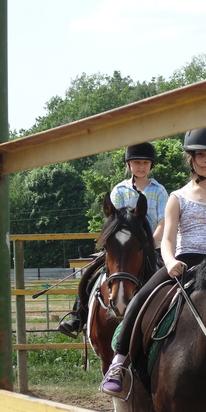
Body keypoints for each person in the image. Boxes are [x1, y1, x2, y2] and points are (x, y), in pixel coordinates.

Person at [101, 124, 206, 397]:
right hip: (185, 262)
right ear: (191, 158)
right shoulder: (176, 197)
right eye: (201, 156)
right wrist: (169, 261)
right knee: (140, 300)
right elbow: (168, 239)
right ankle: (119, 363)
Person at [57, 142, 168, 339]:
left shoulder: (159, 191)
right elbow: (113, 222)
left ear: (151, 165)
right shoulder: (119, 190)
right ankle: (77, 316)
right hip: (119, 247)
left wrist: (150, 244)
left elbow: (163, 222)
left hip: (148, 247)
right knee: (90, 273)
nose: (141, 166)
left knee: (168, 277)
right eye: (136, 162)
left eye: (145, 162)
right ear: (128, 165)